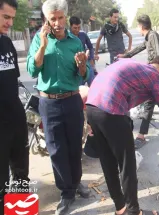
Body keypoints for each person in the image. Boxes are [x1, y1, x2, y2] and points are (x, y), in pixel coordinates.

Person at [86, 56, 159, 215]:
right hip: (111, 110)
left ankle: (121, 209)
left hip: (93, 109)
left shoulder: (132, 65)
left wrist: (89, 120)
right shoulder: (154, 75)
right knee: (127, 165)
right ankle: (134, 212)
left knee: (109, 164)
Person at [26, 0, 91, 214]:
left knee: (75, 145)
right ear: (47, 19)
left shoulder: (75, 41)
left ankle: (76, 182)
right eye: (52, 19)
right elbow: (32, 70)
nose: (57, 22)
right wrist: (43, 46)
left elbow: (84, 74)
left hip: (72, 100)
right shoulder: (39, 38)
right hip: (49, 102)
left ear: (65, 16)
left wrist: (82, 66)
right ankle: (66, 191)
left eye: (60, 17)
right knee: (56, 149)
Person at [0, 0, 30, 214]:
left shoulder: (7, 43)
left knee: (21, 173)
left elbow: (12, 81)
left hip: (16, 119)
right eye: (6, 17)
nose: (10, 22)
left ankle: (21, 211)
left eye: (12, 17)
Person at [120, 14, 159, 149]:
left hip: (157, 75)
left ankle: (141, 136)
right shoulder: (148, 37)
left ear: (141, 26)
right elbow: (139, 48)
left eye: (138, 27)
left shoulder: (153, 36)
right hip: (153, 73)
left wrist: (157, 73)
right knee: (153, 102)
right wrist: (125, 56)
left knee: (148, 103)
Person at [69, 16, 95, 86]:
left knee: (93, 85)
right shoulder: (67, 38)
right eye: (75, 28)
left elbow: (90, 47)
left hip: (86, 62)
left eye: (79, 28)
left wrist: (92, 58)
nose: (77, 30)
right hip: (74, 67)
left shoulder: (83, 35)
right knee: (79, 88)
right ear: (70, 26)